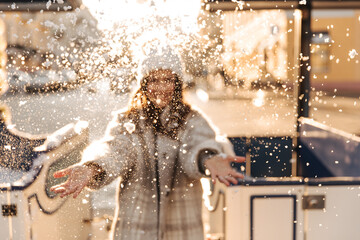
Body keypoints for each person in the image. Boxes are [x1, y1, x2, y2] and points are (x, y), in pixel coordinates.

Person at [50, 45, 245, 240]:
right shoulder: (128, 121)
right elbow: (114, 150)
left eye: (168, 79)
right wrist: (92, 167)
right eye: (154, 80)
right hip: (134, 232)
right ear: (143, 83)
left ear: (177, 82)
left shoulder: (192, 120)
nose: (161, 87)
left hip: (183, 231)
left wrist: (207, 158)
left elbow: (196, 147)